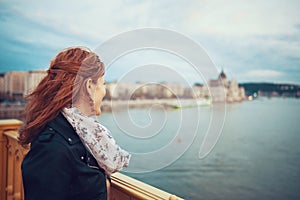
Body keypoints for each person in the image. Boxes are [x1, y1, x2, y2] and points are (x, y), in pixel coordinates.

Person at [18, 47, 131, 200]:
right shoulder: (53, 146)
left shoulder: (80, 133)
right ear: (89, 86)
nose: (105, 91)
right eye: (103, 84)